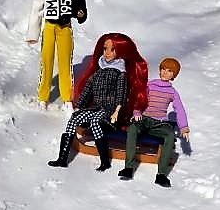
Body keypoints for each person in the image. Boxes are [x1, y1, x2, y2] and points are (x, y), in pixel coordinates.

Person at [48, 32, 148, 172]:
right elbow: (87, 90)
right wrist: (79, 106)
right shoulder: (98, 71)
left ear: (120, 52)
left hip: (110, 112)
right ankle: (62, 158)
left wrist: (116, 111)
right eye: (105, 48)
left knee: (95, 121)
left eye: (112, 49)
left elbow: (121, 93)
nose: (107, 53)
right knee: (73, 119)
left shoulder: (120, 74)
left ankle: (104, 161)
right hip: (97, 108)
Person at [26, 0, 87, 111]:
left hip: (65, 28)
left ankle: (67, 98)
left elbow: (80, 5)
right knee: (46, 62)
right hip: (49, 28)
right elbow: (36, 11)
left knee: (65, 63)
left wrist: (80, 13)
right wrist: (33, 33)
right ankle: (43, 96)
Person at [118, 57, 189, 188]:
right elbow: (139, 98)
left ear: (174, 75)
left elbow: (179, 108)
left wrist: (184, 127)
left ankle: (161, 175)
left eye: (169, 71)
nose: (164, 72)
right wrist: (137, 112)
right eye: (163, 69)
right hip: (143, 119)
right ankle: (128, 168)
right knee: (132, 129)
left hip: (158, 123)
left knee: (169, 135)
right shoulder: (150, 85)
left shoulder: (172, 92)